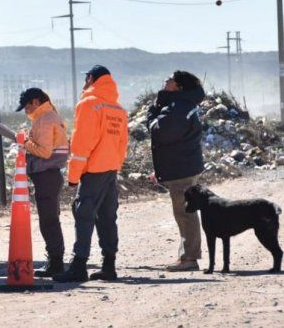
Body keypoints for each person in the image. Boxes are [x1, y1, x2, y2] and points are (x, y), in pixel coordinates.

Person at [53, 65, 128, 283]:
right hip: (111, 169)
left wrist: (73, 176)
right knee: (107, 217)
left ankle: (79, 266)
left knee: (83, 215)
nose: (84, 82)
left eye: (86, 77)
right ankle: (109, 266)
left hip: (93, 170)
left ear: (91, 78)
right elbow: (123, 144)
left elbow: (82, 143)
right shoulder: (118, 108)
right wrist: (115, 165)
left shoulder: (89, 104)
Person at [146, 70, 206, 272]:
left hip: (182, 168)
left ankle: (189, 258)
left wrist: (152, 113)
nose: (166, 80)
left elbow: (161, 131)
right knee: (184, 212)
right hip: (184, 165)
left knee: (185, 213)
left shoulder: (179, 106)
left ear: (178, 86)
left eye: (170, 79)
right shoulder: (182, 103)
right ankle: (186, 256)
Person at [16, 87, 69, 277]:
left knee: (48, 221)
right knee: (51, 219)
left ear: (36, 102)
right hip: (51, 175)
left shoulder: (44, 120)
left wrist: (24, 142)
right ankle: (56, 262)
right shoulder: (51, 115)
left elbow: (45, 152)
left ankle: (56, 264)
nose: (26, 111)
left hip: (46, 174)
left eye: (26, 106)